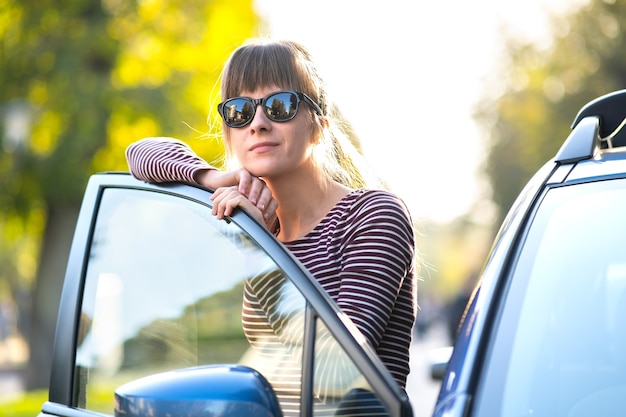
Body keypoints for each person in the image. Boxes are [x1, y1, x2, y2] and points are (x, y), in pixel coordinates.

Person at [126, 38, 418, 413]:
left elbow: (336, 371)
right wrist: (211, 178)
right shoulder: (265, 227)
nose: (258, 124)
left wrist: (258, 249)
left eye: (279, 106)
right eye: (239, 111)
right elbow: (139, 153)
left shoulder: (372, 214)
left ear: (319, 126)